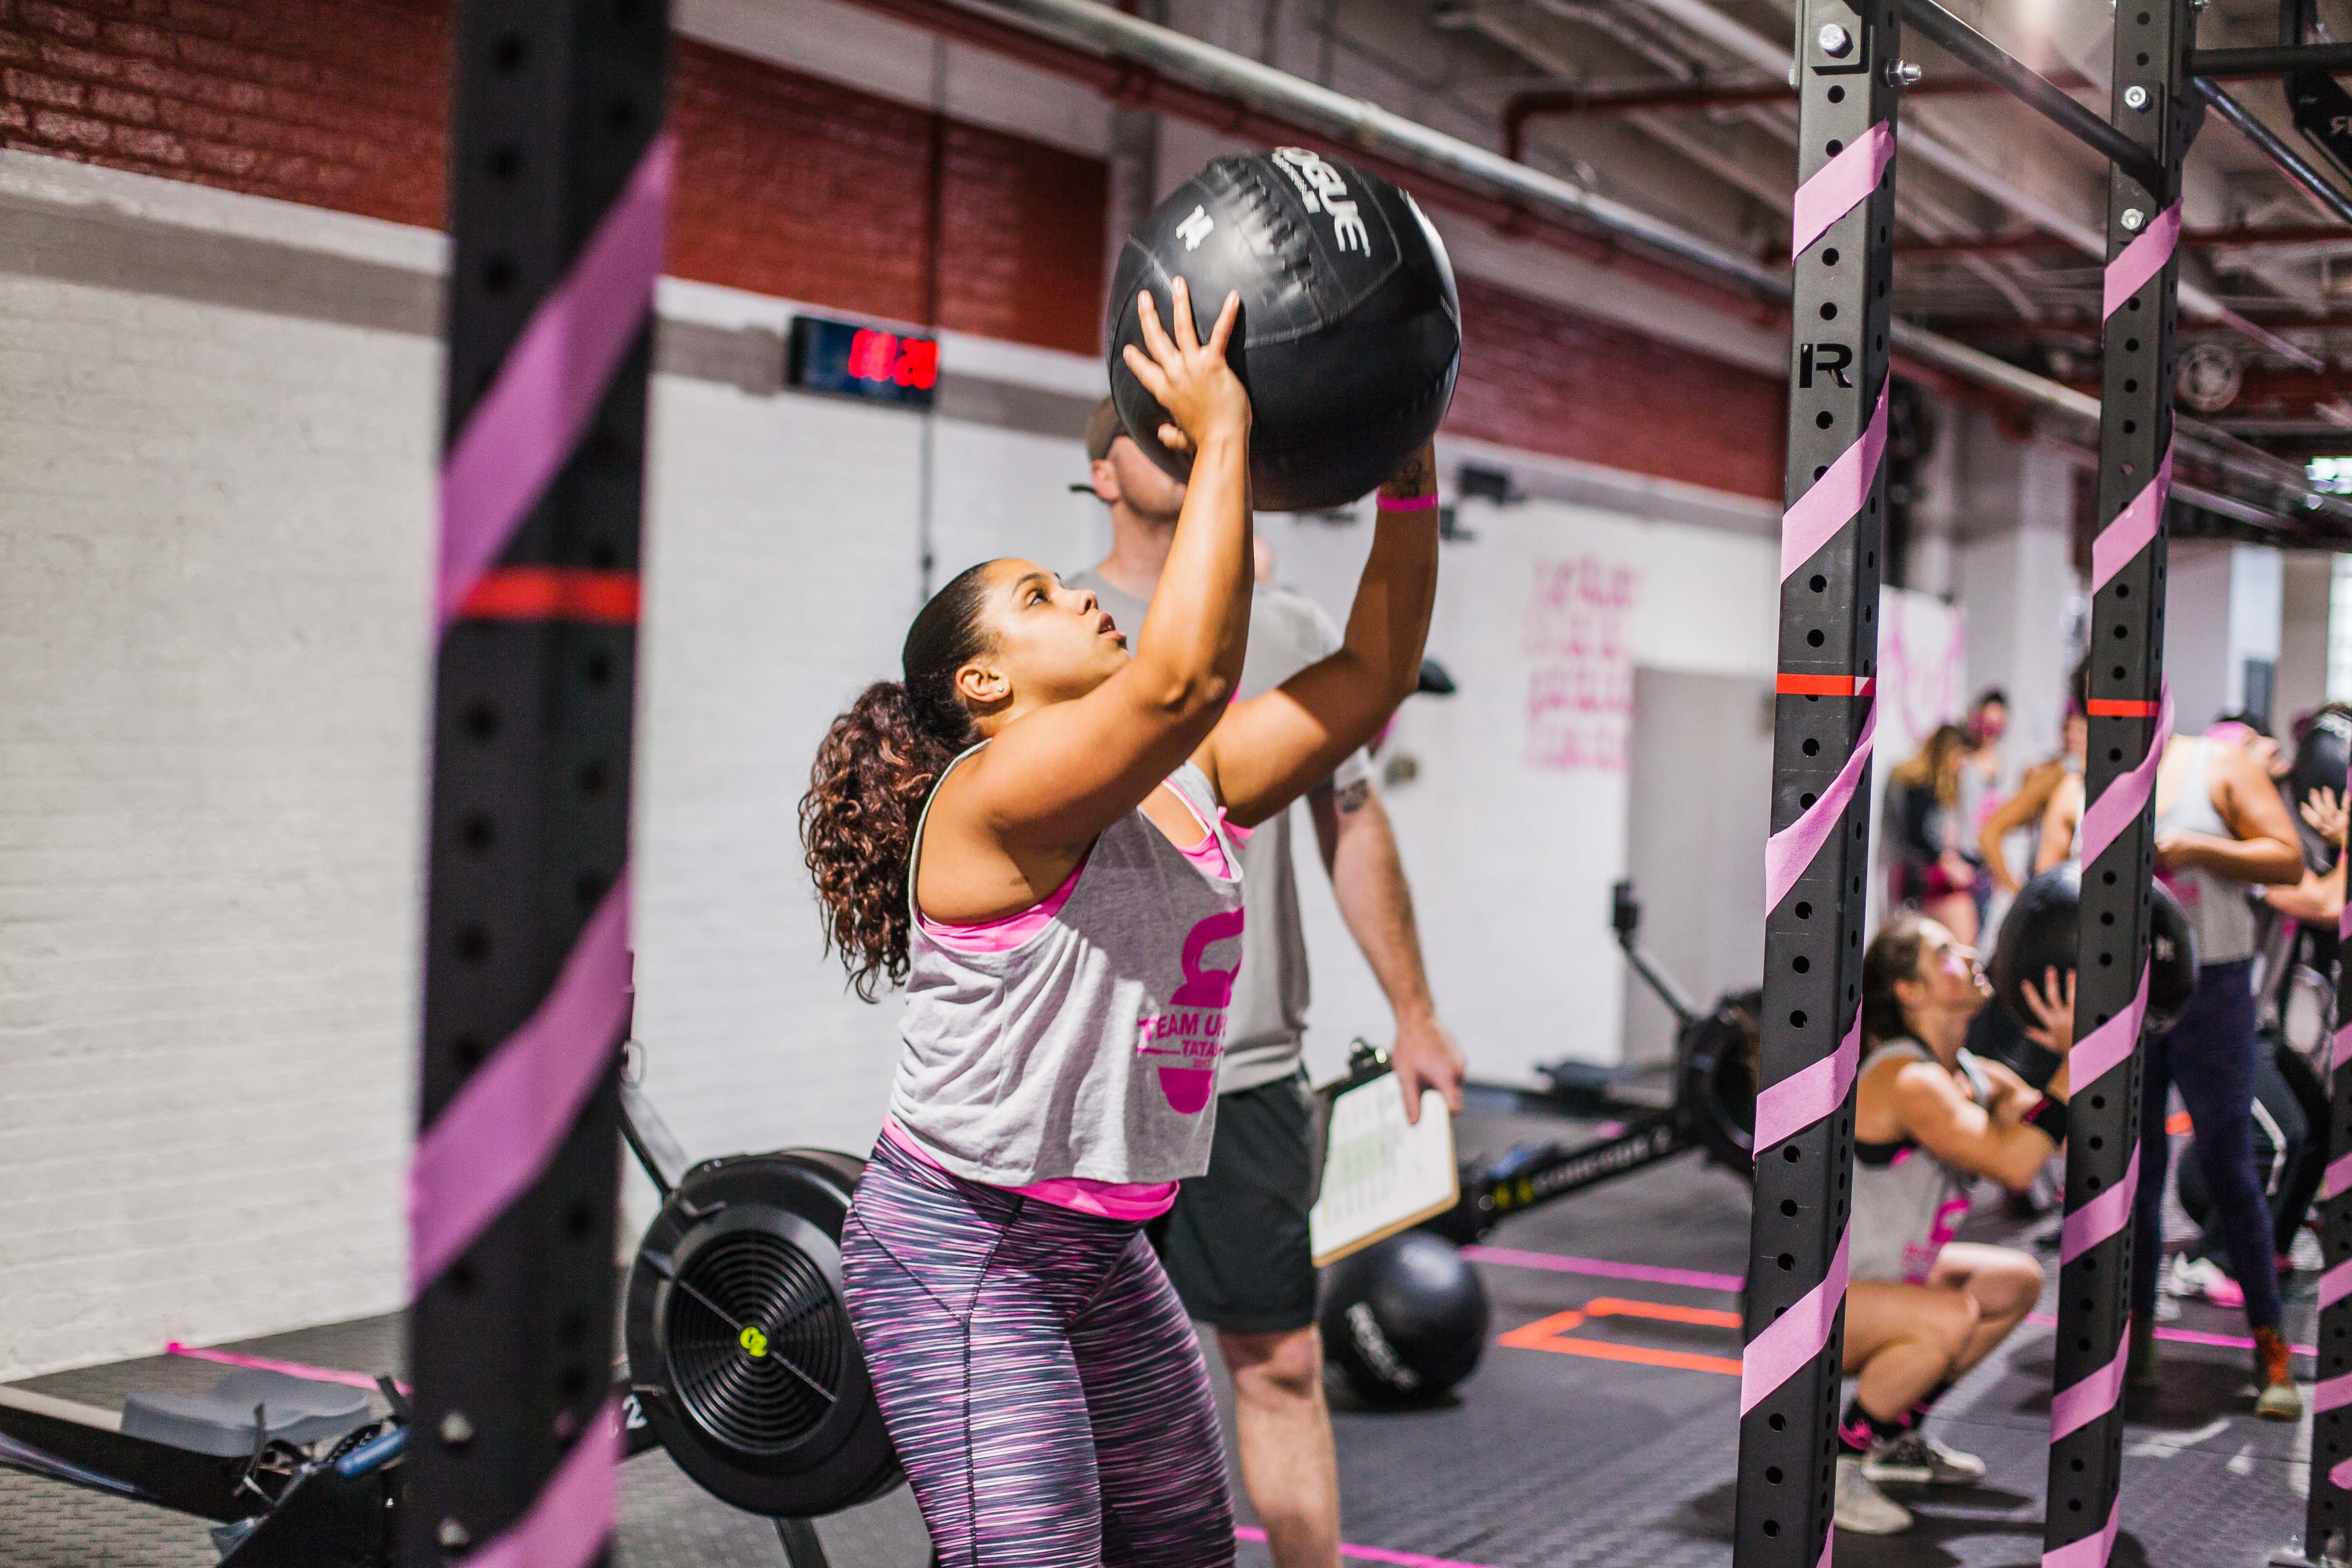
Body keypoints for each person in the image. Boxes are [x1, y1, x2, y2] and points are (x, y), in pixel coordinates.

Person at [798, 280, 1443, 1567]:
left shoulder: (1179, 786)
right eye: (1036, 600)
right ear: (981, 685)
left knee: (1184, 1552)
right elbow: (1186, 677)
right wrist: (1222, 442)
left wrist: (1404, 463)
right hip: (967, 1248)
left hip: (1104, 1245)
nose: (1075, 598)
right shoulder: (990, 800)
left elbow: (1369, 676)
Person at [1068, 395, 1465, 1568]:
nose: (1185, 453)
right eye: (1155, 437)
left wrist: (1414, 1011)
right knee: (1078, 1386)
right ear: (1101, 473)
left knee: (1284, 1360)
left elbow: (1353, 817)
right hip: (1084, 1080)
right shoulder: (1056, 636)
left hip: (1234, 1070)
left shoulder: (1282, 629)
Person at [2036, 696, 2307, 1416]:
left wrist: (2192, 849)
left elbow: (2287, 858)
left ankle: (2271, 1346)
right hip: (2120, 989)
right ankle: (2138, 1337)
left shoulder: (2215, 766)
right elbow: (2044, 889)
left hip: (2210, 985)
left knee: (2229, 1159)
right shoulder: (2081, 780)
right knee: (2133, 1167)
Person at [1835, 914, 2075, 1536]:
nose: (1968, 952)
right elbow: (2017, 1164)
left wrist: (2080, 1050)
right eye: (1944, 950)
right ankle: (1838, 1462)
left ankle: (1896, 1437)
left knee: (2013, 1281)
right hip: (1815, 1302)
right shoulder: (1907, 1079)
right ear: (1910, 992)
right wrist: (2076, 1062)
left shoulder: (1971, 1075)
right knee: (1950, 1317)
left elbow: (2053, 1127)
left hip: (1885, 1279)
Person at [1887, 723, 1985, 945]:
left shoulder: (1943, 787)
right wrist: (1947, 863)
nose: (1962, 766)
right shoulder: (1918, 787)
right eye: (1960, 758)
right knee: (1965, 945)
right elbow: (1917, 838)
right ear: (1948, 753)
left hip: (1932, 873)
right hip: (1925, 877)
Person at [1977, 707, 2086, 896]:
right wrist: (2017, 892)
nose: (2072, 737)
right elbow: (1990, 833)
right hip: (2055, 899)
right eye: (2068, 729)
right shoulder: (2054, 776)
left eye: (2081, 730)